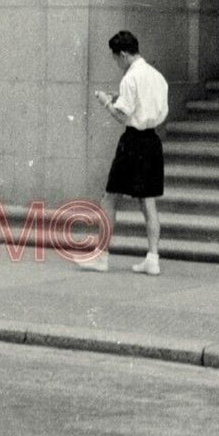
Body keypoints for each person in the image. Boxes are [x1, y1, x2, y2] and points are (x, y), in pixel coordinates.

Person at [82, 30, 169, 276]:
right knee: (148, 201)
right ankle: (153, 257)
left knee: (109, 198)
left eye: (116, 58)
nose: (117, 64)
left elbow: (122, 115)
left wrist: (107, 102)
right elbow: (152, 109)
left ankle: (101, 256)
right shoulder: (157, 76)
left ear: (122, 55)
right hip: (152, 140)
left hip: (132, 142)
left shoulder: (130, 78)